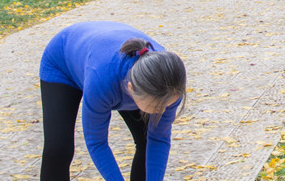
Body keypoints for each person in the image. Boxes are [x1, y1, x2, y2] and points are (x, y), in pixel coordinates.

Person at [39, 21, 186, 181]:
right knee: (59, 149)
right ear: (131, 89)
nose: (161, 111)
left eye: (167, 105)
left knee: (146, 141)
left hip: (103, 57)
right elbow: (97, 142)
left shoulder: (171, 84)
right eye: (156, 106)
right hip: (63, 61)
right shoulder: (102, 81)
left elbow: (159, 138)